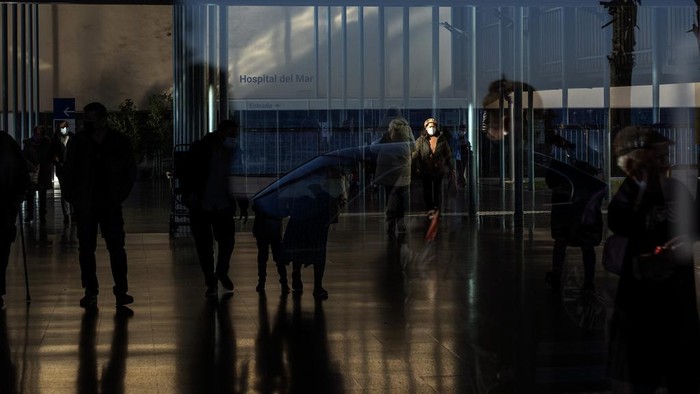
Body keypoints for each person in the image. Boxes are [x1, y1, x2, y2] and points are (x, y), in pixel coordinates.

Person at [606, 126, 700, 393]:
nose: (664, 161)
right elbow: (618, 221)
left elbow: (693, 224)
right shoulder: (634, 190)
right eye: (657, 156)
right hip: (644, 284)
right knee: (643, 359)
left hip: (673, 285)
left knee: (674, 359)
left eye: (665, 155)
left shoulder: (675, 189)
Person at [62, 102, 137, 308]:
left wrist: (118, 196)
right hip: (87, 202)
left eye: (91, 120)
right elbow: (69, 170)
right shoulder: (79, 142)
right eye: (86, 120)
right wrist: (73, 196)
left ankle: (119, 289)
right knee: (87, 248)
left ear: (103, 120)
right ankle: (93, 290)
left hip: (108, 202)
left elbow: (130, 171)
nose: (87, 124)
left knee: (114, 248)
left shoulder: (118, 142)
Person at [181, 119, 242, 298]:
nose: (234, 138)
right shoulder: (202, 148)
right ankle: (214, 276)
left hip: (216, 203)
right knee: (212, 243)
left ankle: (216, 276)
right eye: (232, 134)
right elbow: (188, 172)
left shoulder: (227, 150)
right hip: (207, 202)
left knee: (219, 242)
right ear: (222, 132)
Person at [282, 166, 347, 300]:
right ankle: (317, 286)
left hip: (303, 211)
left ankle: (297, 274)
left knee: (299, 245)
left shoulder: (301, 169)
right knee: (318, 250)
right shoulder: (330, 168)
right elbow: (336, 190)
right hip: (320, 214)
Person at [544, 158, 605, 293]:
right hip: (585, 217)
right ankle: (589, 282)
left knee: (560, 243)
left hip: (565, 216)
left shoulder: (561, 182)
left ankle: (557, 273)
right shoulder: (590, 186)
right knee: (587, 247)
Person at [0, 131, 29, 308]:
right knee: (2, 253)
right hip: (4, 208)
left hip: (4, 207)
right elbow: (22, 174)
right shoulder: (7, 143)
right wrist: (17, 198)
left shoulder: (6, 143)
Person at [373, 117, 414, 237]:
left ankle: (390, 225)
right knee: (401, 200)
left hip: (389, 172)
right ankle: (401, 224)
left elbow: (373, 148)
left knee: (389, 199)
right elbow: (414, 147)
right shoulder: (408, 131)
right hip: (403, 174)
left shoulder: (388, 134)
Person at [412, 117, 455, 218]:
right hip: (425, 170)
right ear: (426, 128)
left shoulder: (442, 139)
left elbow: (448, 153)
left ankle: (437, 209)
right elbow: (415, 155)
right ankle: (429, 209)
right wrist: (417, 167)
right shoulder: (421, 140)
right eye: (430, 126)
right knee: (427, 191)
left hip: (438, 170)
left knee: (437, 191)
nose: (432, 128)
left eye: (434, 126)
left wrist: (448, 165)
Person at [253, 204, 287, 293]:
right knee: (278, 256)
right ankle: (284, 281)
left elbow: (255, 207)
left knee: (262, 257)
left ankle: (261, 281)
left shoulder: (260, 197)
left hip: (261, 227)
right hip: (274, 227)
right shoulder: (278, 196)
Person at [22, 125, 53, 223]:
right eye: (37, 134)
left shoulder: (46, 144)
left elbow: (50, 156)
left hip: (42, 172)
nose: (39, 136)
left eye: (41, 134)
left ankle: (41, 215)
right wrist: (32, 166)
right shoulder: (29, 144)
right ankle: (30, 215)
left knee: (42, 196)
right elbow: (24, 157)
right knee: (30, 196)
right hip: (33, 173)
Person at [50, 120, 75, 224]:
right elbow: (52, 153)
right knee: (64, 192)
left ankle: (73, 214)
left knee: (72, 191)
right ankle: (66, 215)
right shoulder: (55, 139)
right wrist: (57, 162)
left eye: (64, 127)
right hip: (61, 169)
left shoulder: (73, 138)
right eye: (61, 128)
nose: (63, 129)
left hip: (71, 169)